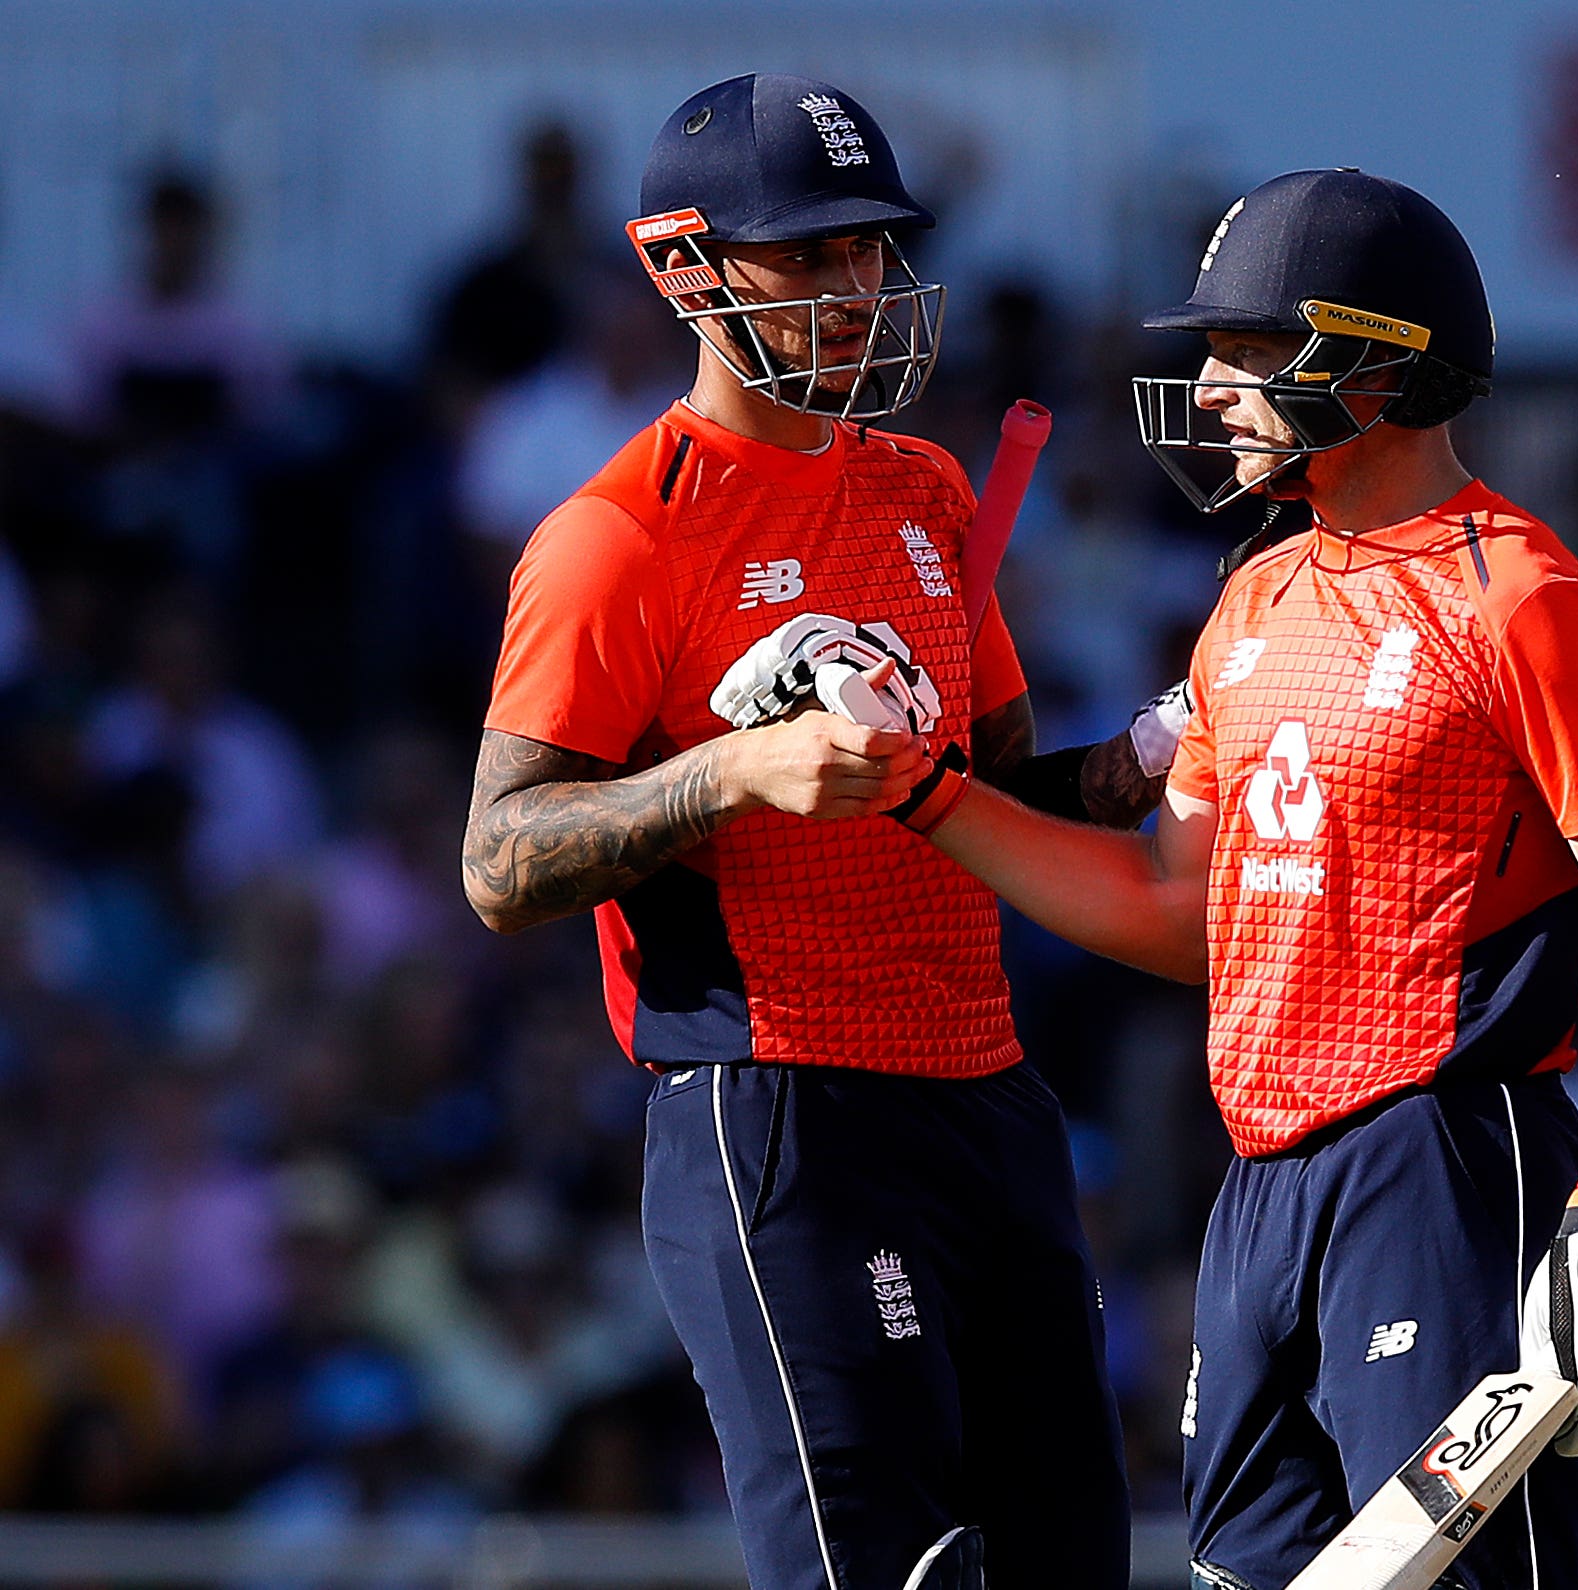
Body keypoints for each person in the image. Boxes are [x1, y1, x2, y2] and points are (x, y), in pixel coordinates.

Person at [908, 170, 1578, 1588]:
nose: (1214, 388)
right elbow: (1186, 915)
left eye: (1248, 349)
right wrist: (929, 804)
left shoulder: (1529, 603)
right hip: (1261, 1189)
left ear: (1375, 359)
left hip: (1446, 1170)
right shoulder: (1251, 597)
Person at [460, 74, 1172, 1590]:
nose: (860, 283)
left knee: (1069, 1565)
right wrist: (729, 772)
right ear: (686, 267)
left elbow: (990, 805)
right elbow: (499, 858)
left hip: (987, 1091)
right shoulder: (615, 535)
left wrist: (1138, 764)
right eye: (814, 251)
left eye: (873, 246)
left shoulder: (924, 486)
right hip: (779, 1104)